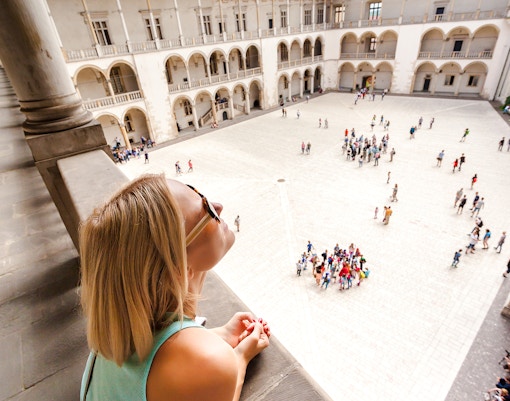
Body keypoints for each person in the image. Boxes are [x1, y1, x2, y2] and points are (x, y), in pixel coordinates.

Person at [79, 175, 270, 401]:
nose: (218, 206)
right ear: (179, 266)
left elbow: (156, 354)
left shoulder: (119, 324)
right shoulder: (210, 362)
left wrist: (221, 334)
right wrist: (239, 357)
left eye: (200, 193)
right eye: (206, 210)